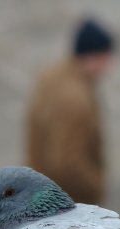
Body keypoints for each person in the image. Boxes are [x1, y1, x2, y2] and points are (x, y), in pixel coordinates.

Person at [26, 19, 115, 205]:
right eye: (106, 57)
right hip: (66, 198)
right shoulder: (76, 102)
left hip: (38, 176)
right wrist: (96, 185)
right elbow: (67, 163)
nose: (110, 64)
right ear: (92, 56)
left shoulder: (51, 75)